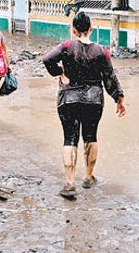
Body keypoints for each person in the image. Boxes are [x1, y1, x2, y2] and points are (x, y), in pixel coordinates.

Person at [43, 12, 126, 200]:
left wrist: (59, 73)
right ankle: (88, 178)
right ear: (91, 29)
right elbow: (109, 77)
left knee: (69, 138)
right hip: (93, 100)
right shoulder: (101, 50)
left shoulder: (66, 46)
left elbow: (47, 59)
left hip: (68, 99)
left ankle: (70, 183)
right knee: (91, 136)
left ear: (73, 30)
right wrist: (119, 98)